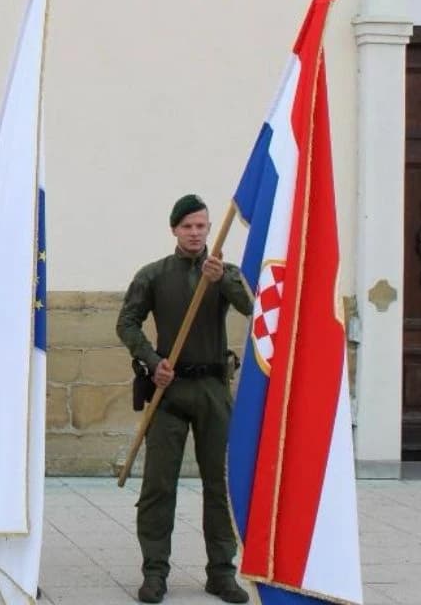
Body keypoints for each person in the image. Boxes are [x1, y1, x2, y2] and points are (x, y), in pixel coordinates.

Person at [116, 194, 253, 605]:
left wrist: (224, 279)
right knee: (159, 485)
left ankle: (221, 572)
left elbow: (253, 307)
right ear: (174, 229)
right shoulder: (153, 275)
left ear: (210, 229)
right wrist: (152, 360)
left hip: (213, 389)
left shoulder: (226, 273)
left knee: (221, 484)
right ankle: (155, 571)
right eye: (187, 226)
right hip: (169, 390)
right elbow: (127, 322)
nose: (195, 233)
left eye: (202, 226)